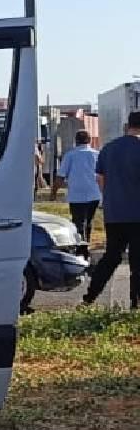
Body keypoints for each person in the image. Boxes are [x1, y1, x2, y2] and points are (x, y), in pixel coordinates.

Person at [83, 111, 140, 309]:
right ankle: (135, 304)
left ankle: (89, 297)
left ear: (128, 125)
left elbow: (100, 179)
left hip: (114, 213)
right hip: (137, 214)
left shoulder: (108, 148)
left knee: (111, 257)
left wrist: (111, 198)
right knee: (137, 262)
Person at [53, 130, 102, 243]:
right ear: (89, 140)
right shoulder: (97, 154)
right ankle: (87, 241)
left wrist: (54, 192)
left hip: (76, 194)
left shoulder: (70, 155)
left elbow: (61, 176)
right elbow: (102, 175)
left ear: (76, 141)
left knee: (78, 222)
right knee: (88, 220)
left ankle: (80, 244)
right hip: (93, 193)